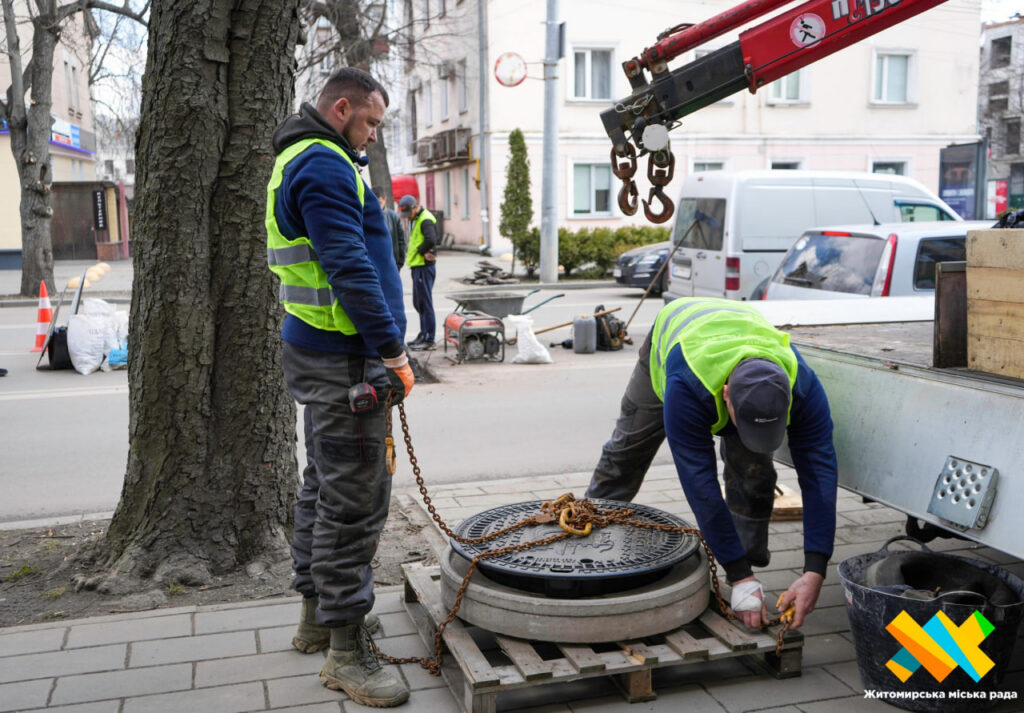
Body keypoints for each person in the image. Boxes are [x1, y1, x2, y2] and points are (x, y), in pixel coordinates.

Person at [266, 67, 413, 708]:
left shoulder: (301, 157)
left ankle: (317, 621)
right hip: (346, 359)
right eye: (371, 123)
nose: (374, 137)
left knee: (323, 488)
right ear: (342, 108)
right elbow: (350, 269)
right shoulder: (324, 165)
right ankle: (347, 654)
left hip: (319, 352)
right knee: (353, 503)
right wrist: (394, 351)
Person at [586, 297, 838, 631]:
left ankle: (745, 573)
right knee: (627, 451)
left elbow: (819, 474)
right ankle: (587, 541)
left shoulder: (802, 385)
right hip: (676, 338)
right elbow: (700, 485)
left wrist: (815, 569)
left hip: (737, 331)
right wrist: (736, 571)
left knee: (753, 469)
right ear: (726, 395)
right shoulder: (687, 386)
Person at [398, 194, 438, 350]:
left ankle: (429, 338)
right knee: (419, 303)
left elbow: (431, 239)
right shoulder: (416, 219)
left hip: (423, 267)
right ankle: (423, 334)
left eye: (409, 213)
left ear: (415, 207)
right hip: (417, 267)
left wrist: (421, 252)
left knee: (425, 303)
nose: (408, 217)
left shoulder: (425, 219)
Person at [377, 192, 407, 270]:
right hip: (375, 264)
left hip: (392, 263)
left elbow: (401, 240)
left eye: (379, 202)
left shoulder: (394, 217)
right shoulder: (366, 216)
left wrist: (400, 261)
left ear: (385, 199)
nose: (377, 205)